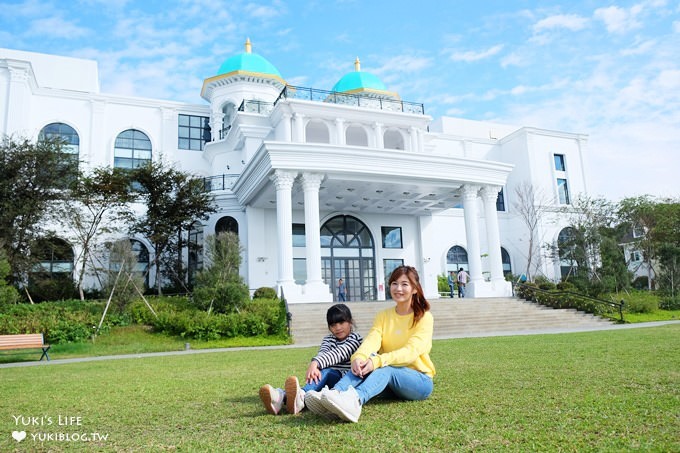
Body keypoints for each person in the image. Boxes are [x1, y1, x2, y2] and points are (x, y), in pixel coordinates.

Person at [306, 265, 435, 423]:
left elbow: (411, 351)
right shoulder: (383, 316)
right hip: (390, 385)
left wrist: (378, 360)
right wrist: (359, 357)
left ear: (415, 289)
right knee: (366, 362)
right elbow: (372, 339)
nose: (398, 288)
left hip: (419, 381)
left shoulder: (424, 317)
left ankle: (354, 401)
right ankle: (334, 395)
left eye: (404, 284)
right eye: (394, 283)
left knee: (383, 367)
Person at [259, 303, 362, 415]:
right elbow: (323, 352)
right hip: (324, 378)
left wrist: (315, 362)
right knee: (320, 372)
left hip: (343, 381)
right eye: (333, 325)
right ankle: (281, 397)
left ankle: (300, 395)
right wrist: (316, 364)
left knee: (326, 371)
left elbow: (339, 353)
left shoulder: (355, 339)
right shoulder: (328, 339)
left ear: (350, 322)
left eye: (341, 323)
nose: (337, 328)